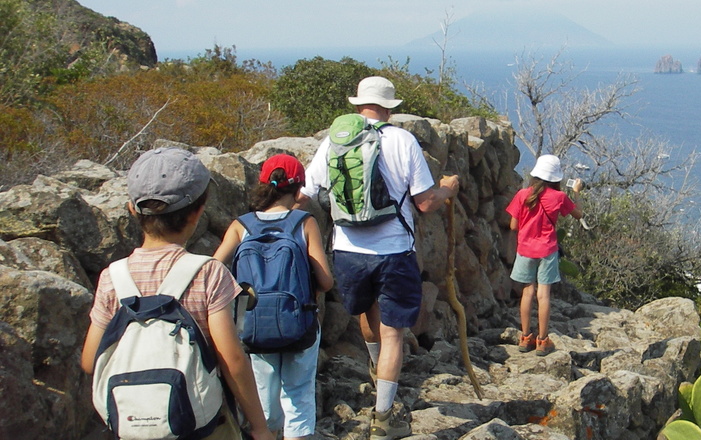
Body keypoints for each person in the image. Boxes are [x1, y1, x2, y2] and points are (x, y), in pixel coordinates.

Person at [298, 76, 459, 440]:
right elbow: (425, 203)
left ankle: (376, 373)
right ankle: (384, 419)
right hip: (393, 252)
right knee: (394, 335)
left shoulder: (334, 141)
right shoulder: (402, 140)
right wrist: (447, 190)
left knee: (366, 315)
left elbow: (305, 193)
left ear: (358, 105)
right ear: (390, 107)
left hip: (348, 250)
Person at [80, 147, 274, 440]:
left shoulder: (112, 276)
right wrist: (260, 427)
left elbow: (90, 359)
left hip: (131, 424)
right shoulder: (207, 272)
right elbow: (231, 358)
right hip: (201, 423)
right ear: (199, 211)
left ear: (132, 210)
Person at [213, 154, 335, 440]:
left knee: (264, 389)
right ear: (298, 189)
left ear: (264, 184)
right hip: (299, 321)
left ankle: (266, 431)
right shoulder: (304, 222)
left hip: (255, 323)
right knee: (298, 390)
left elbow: (213, 268)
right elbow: (326, 281)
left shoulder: (241, 225)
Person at [505, 154, 583, 356]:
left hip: (525, 249)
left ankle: (525, 337)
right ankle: (542, 340)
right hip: (547, 250)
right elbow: (578, 214)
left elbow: (513, 225)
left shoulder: (523, 194)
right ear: (556, 177)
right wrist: (576, 193)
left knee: (527, 293)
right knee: (543, 294)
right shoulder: (559, 197)